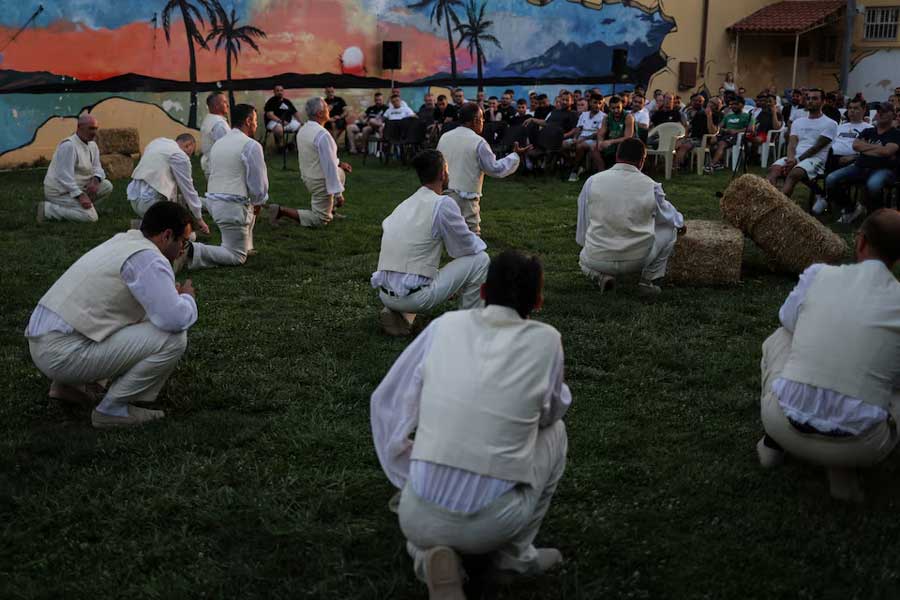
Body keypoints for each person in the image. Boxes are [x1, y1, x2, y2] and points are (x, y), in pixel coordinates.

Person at [371, 249, 571, 597]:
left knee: (425, 525)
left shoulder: (444, 326)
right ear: (538, 302)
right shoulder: (547, 340)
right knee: (556, 432)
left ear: (482, 291)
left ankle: (428, 556)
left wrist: (405, 467)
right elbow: (553, 411)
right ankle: (514, 558)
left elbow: (387, 401)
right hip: (492, 522)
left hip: (415, 513)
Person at [756, 209, 900, 502]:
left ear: (860, 241)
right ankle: (841, 465)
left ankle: (773, 444)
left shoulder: (818, 274)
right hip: (863, 446)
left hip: (780, 422)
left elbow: (788, 320)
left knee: (781, 336)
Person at [25, 202, 197, 428]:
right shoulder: (149, 258)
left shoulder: (124, 241)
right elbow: (174, 319)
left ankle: (71, 386)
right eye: (183, 242)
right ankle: (112, 410)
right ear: (166, 235)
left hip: (44, 341)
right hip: (63, 353)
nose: (183, 249)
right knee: (174, 337)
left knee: (144, 315)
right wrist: (187, 299)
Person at [371, 150, 490, 337]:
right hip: (416, 298)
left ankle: (399, 314)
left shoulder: (404, 204)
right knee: (481, 260)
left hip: (385, 294)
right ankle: (470, 323)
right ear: (443, 174)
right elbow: (467, 247)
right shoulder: (442, 204)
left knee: (420, 270)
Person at [576, 138, 685, 295]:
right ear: (642, 161)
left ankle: (600, 276)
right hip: (639, 260)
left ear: (616, 156)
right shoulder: (651, 186)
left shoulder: (592, 181)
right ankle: (648, 280)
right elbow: (670, 217)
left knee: (583, 258)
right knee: (670, 229)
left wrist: (588, 245)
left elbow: (583, 219)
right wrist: (681, 223)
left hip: (597, 258)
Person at [189, 104, 268, 269]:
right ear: (248, 121)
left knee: (245, 215)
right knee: (236, 256)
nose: (256, 124)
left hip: (214, 203)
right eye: (255, 120)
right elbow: (258, 184)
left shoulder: (219, 143)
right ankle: (190, 250)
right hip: (233, 206)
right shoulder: (251, 145)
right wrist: (259, 201)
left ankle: (246, 245)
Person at [436, 103, 529, 235]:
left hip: (444, 194)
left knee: (448, 231)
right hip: (466, 197)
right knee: (471, 234)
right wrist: (515, 156)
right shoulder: (478, 142)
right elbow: (495, 169)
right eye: (482, 119)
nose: (483, 122)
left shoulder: (445, 137)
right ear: (475, 120)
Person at [268, 97, 351, 228]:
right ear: (320, 113)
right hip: (319, 181)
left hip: (309, 177)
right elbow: (329, 167)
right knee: (320, 220)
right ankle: (280, 211)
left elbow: (321, 157)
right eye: (326, 107)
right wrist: (338, 194)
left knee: (340, 172)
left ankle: (331, 210)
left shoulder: (304, 129)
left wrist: (340, 164)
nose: (329, 109)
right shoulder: (322, 135)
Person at [826, 103, 900, 224]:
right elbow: (856, 146)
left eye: (885, 111)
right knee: (831, 179)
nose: (881, 113)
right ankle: (850, 208)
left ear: (893, 115)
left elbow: (887, 151)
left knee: (873, 185)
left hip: (884, 169)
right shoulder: (868, 131)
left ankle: (877, 216)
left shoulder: (896, 134)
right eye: (879, 111)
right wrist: (878, 149)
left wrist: (866, 148)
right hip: (860, 166)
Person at [126, 134, 210, 235]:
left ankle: (148, 227)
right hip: (152, 203)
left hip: (133, 197)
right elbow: (188, 190)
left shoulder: (158, 142)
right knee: (188, 235)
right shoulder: (180, 157)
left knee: (169, 215)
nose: (189, 157)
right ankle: (143, 230)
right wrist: (199, 219)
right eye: (190, 153)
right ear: (188, 145)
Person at [39, 114, 113, 223]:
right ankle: (47, 210)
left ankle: (80, 208)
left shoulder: (92, 145)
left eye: (96, 129)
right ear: (79, 127)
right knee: (91, 217)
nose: (94, 132)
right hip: (59, 191)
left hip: (78, 186)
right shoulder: (69, 146)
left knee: (107, 186)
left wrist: (95, 181)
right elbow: (64, 177)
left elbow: (98, 168)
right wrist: (80, 195)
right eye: (91, 128)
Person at [767, 89, 837, 199]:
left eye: (814, 98)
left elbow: (816, 148)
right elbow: (792, 144)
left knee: (794, 173)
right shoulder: (798, 122)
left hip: (816, 159)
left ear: (823, 102)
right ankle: (769, 200)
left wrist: (796, 161)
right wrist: (791, 159)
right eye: (808, 98)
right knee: (774, 169)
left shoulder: (830, 123)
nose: (810, 101)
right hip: (795, 158)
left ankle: (779, 203)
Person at [707, 96, 752, 172]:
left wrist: (736, 131)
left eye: (736, 104)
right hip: (726, 135)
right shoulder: (728, 116)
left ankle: (711, 164)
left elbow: (751, 129)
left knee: (722, 143)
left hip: (738, 137)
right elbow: (719, 127)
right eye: (731, 104)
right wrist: (724, 130)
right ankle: (719, 163)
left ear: (742, 105)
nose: (733, 106)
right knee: (711, 140)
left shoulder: (747, 116)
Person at [567, 93, 605, 182]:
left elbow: (598, 133)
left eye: (600, 103)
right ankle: (576, 165)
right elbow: (578, 128)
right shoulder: (584, 114)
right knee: (563, 144)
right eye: (595, 102)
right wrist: (575, 138)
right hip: (581, 138)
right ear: (590, 103)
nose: (597, 105)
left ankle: (575, 169)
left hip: (593, 139)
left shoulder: (604, 116)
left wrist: (583, 139)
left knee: (580, 145)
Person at [675, 96, 721, 169]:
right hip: (692, 138)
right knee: (675, 144)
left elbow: (712, 132)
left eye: (712, 102)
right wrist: (685, 136)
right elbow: (690, 127)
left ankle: (676, 167)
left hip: (703, 139)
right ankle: (679, 164)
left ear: (716, 106)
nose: (709, 103)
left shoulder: (716, 115)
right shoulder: (700, 113)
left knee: (685, 146)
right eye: (709, 101)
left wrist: (709, 116)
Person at [592, 95, 635, 172]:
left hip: (626, 143)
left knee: (621, 147)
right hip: (611, 141)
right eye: (613, 108)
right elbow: (601, 133)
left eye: (618, 107)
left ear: (622, 106)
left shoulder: (628, 117)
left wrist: (611, 141)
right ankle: (602, 172)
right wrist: (600, 142)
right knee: (595, 148)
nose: (616, 110)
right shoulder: (606, 117)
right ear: (609, 108)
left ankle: (618, 171)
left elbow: (628, 137)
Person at [200, 91, 230, 177]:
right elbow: (226, 148)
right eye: (224, 102)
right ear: (216, 105)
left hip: (211, 166)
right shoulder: (218, 124)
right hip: (219, 169)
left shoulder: (209, 119)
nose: (227, 105)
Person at [263, 85, 301, 150]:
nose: (279, 92)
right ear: (274, 92)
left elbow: (295, 113)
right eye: (277, 91)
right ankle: (281, 146)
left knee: (301, 128)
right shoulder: (271, 101)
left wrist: (301, 122)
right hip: (274, 122)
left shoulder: (287, 101)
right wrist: (281, 121)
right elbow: (269, 115)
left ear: (283, 92)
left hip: (288, 121)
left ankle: (292, 144)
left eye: (281, 90)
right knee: (279, 129)